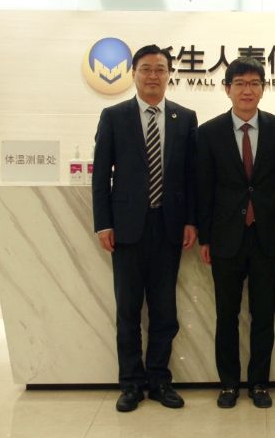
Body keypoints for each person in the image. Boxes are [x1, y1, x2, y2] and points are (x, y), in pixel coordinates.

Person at [92, 44, 198, 412]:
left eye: (160, 69)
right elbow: (101, 175)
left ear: (169, 74)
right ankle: (131, 384)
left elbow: (192, 176)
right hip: (126, 229)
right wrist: (103, 223)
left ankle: (159, 380)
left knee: (164, 311)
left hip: (169, 227)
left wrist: (191, 220)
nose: (153, 75)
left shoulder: (185, 118)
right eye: (146, 69)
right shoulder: (114, 116)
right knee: (128, 311)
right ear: (134, 73)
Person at [197, 57, 275, 410]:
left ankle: (259, 383)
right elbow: (203, 188)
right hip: (226, 237)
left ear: (263, 89)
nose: (247, 90)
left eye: (254, 83)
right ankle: (228, 384)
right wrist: (205, 237)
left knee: (263, 315)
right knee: (226, 315)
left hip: (268, 235)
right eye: (239, 83)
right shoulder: (208, 132)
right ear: (227, 89)